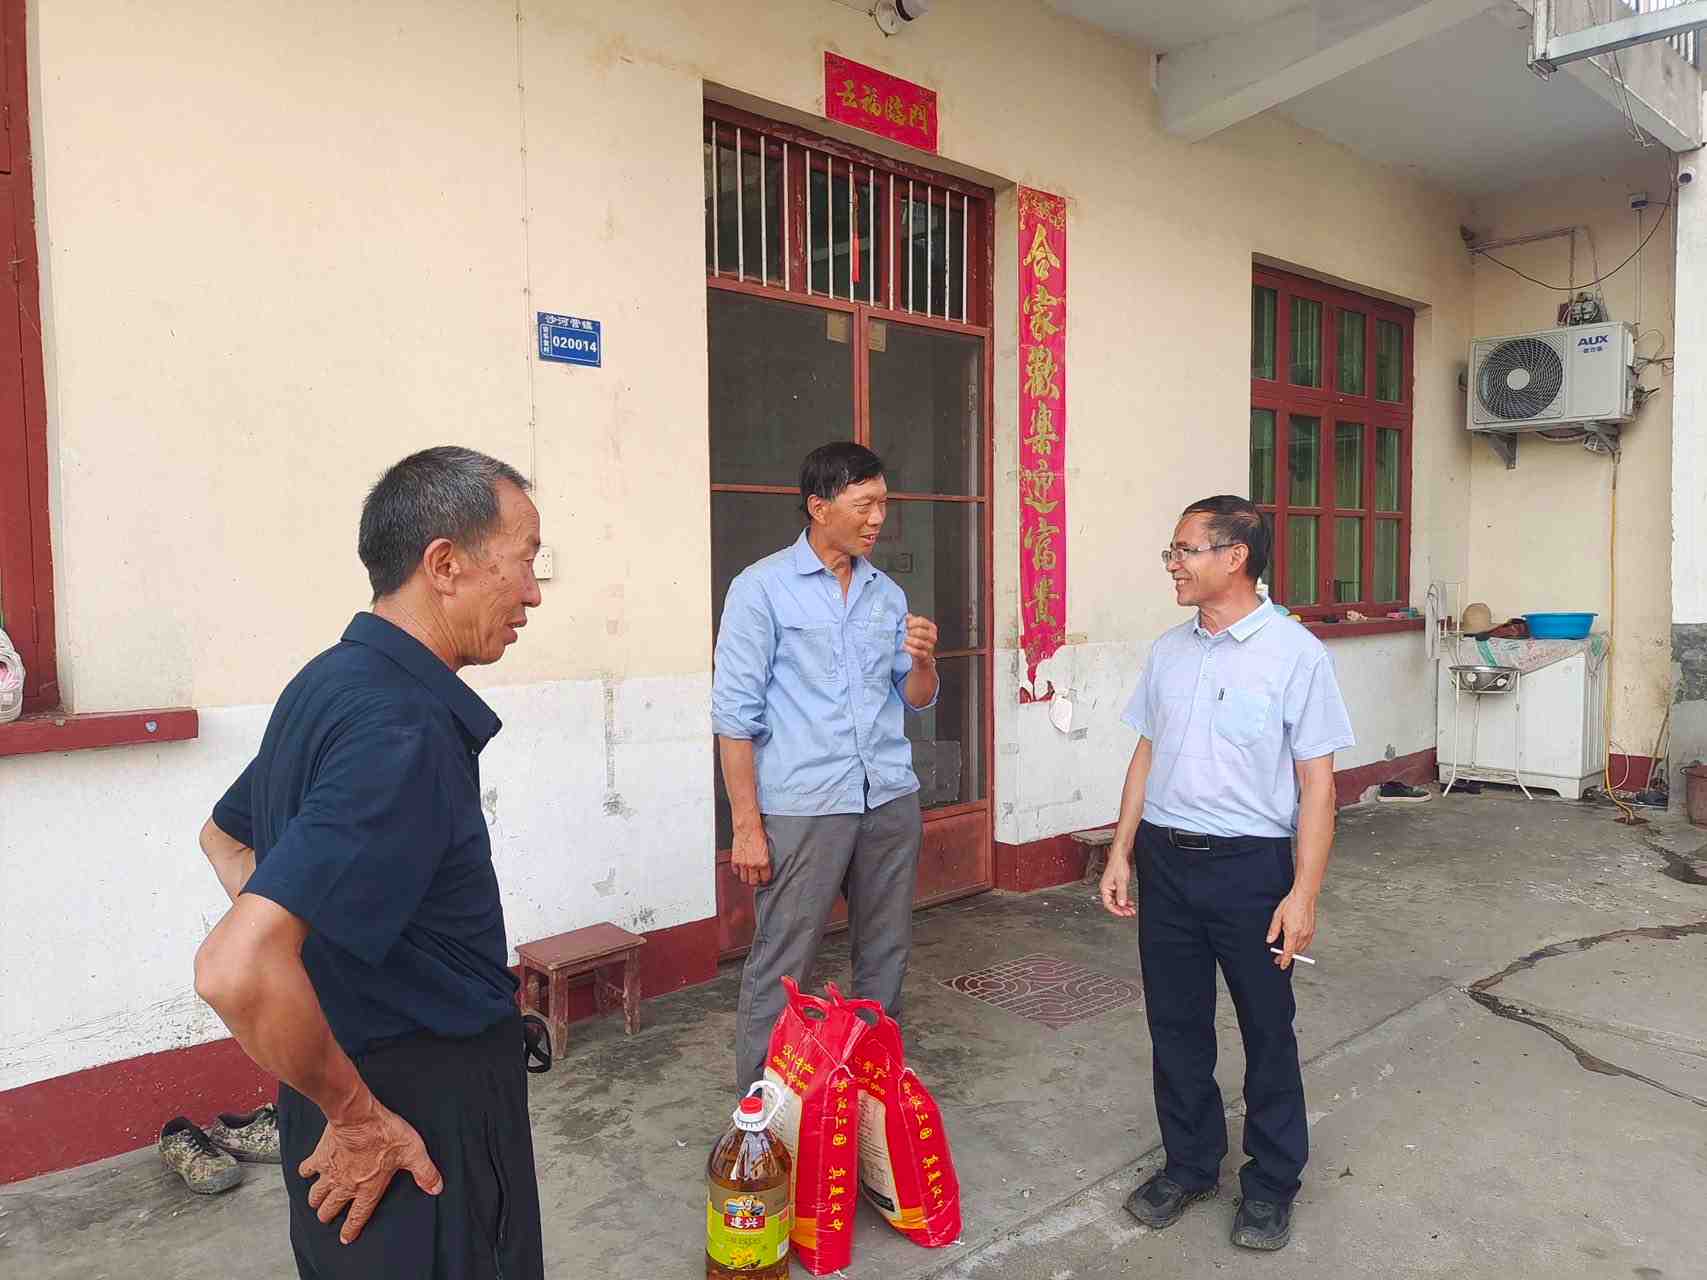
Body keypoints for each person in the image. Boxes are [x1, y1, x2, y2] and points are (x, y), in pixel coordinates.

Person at [193, 446, 546, 1280]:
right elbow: (235, 967)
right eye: (525, 560)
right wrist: (357, 1117)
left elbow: (223, 837)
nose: (533, 593)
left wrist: (318, 963)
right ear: (444, 565)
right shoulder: (400, 728)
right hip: (411, 1120)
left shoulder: (330, 682)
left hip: (331, 1089)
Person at [1098, 495, 1353, 1253]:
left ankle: (1271, 1184)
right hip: (1166, 862)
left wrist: (1302, 893)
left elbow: (1317, 785)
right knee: (1175, 1024)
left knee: (1266, 1029)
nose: (1172, 565)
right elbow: (1147, 751)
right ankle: (1189, 1165)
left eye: (1184, 550)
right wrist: (1121, 849)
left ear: (1234, 557)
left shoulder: (1295, 654)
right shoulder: (1169, 651)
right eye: (1172, 552)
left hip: (1251, 870)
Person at [713, 441, 940, 1089]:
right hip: (804, 807)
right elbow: (734, 717)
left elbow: (915, 697)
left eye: (883, 504)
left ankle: (869, 1093)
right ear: (818, 507)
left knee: (885, 957)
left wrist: (924, 662)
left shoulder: (885, 595)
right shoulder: (760, 589)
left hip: (887, 799)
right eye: (863, 505)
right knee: (783, 960)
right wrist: (747, 827)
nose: (878, 519)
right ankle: (761, 1112)